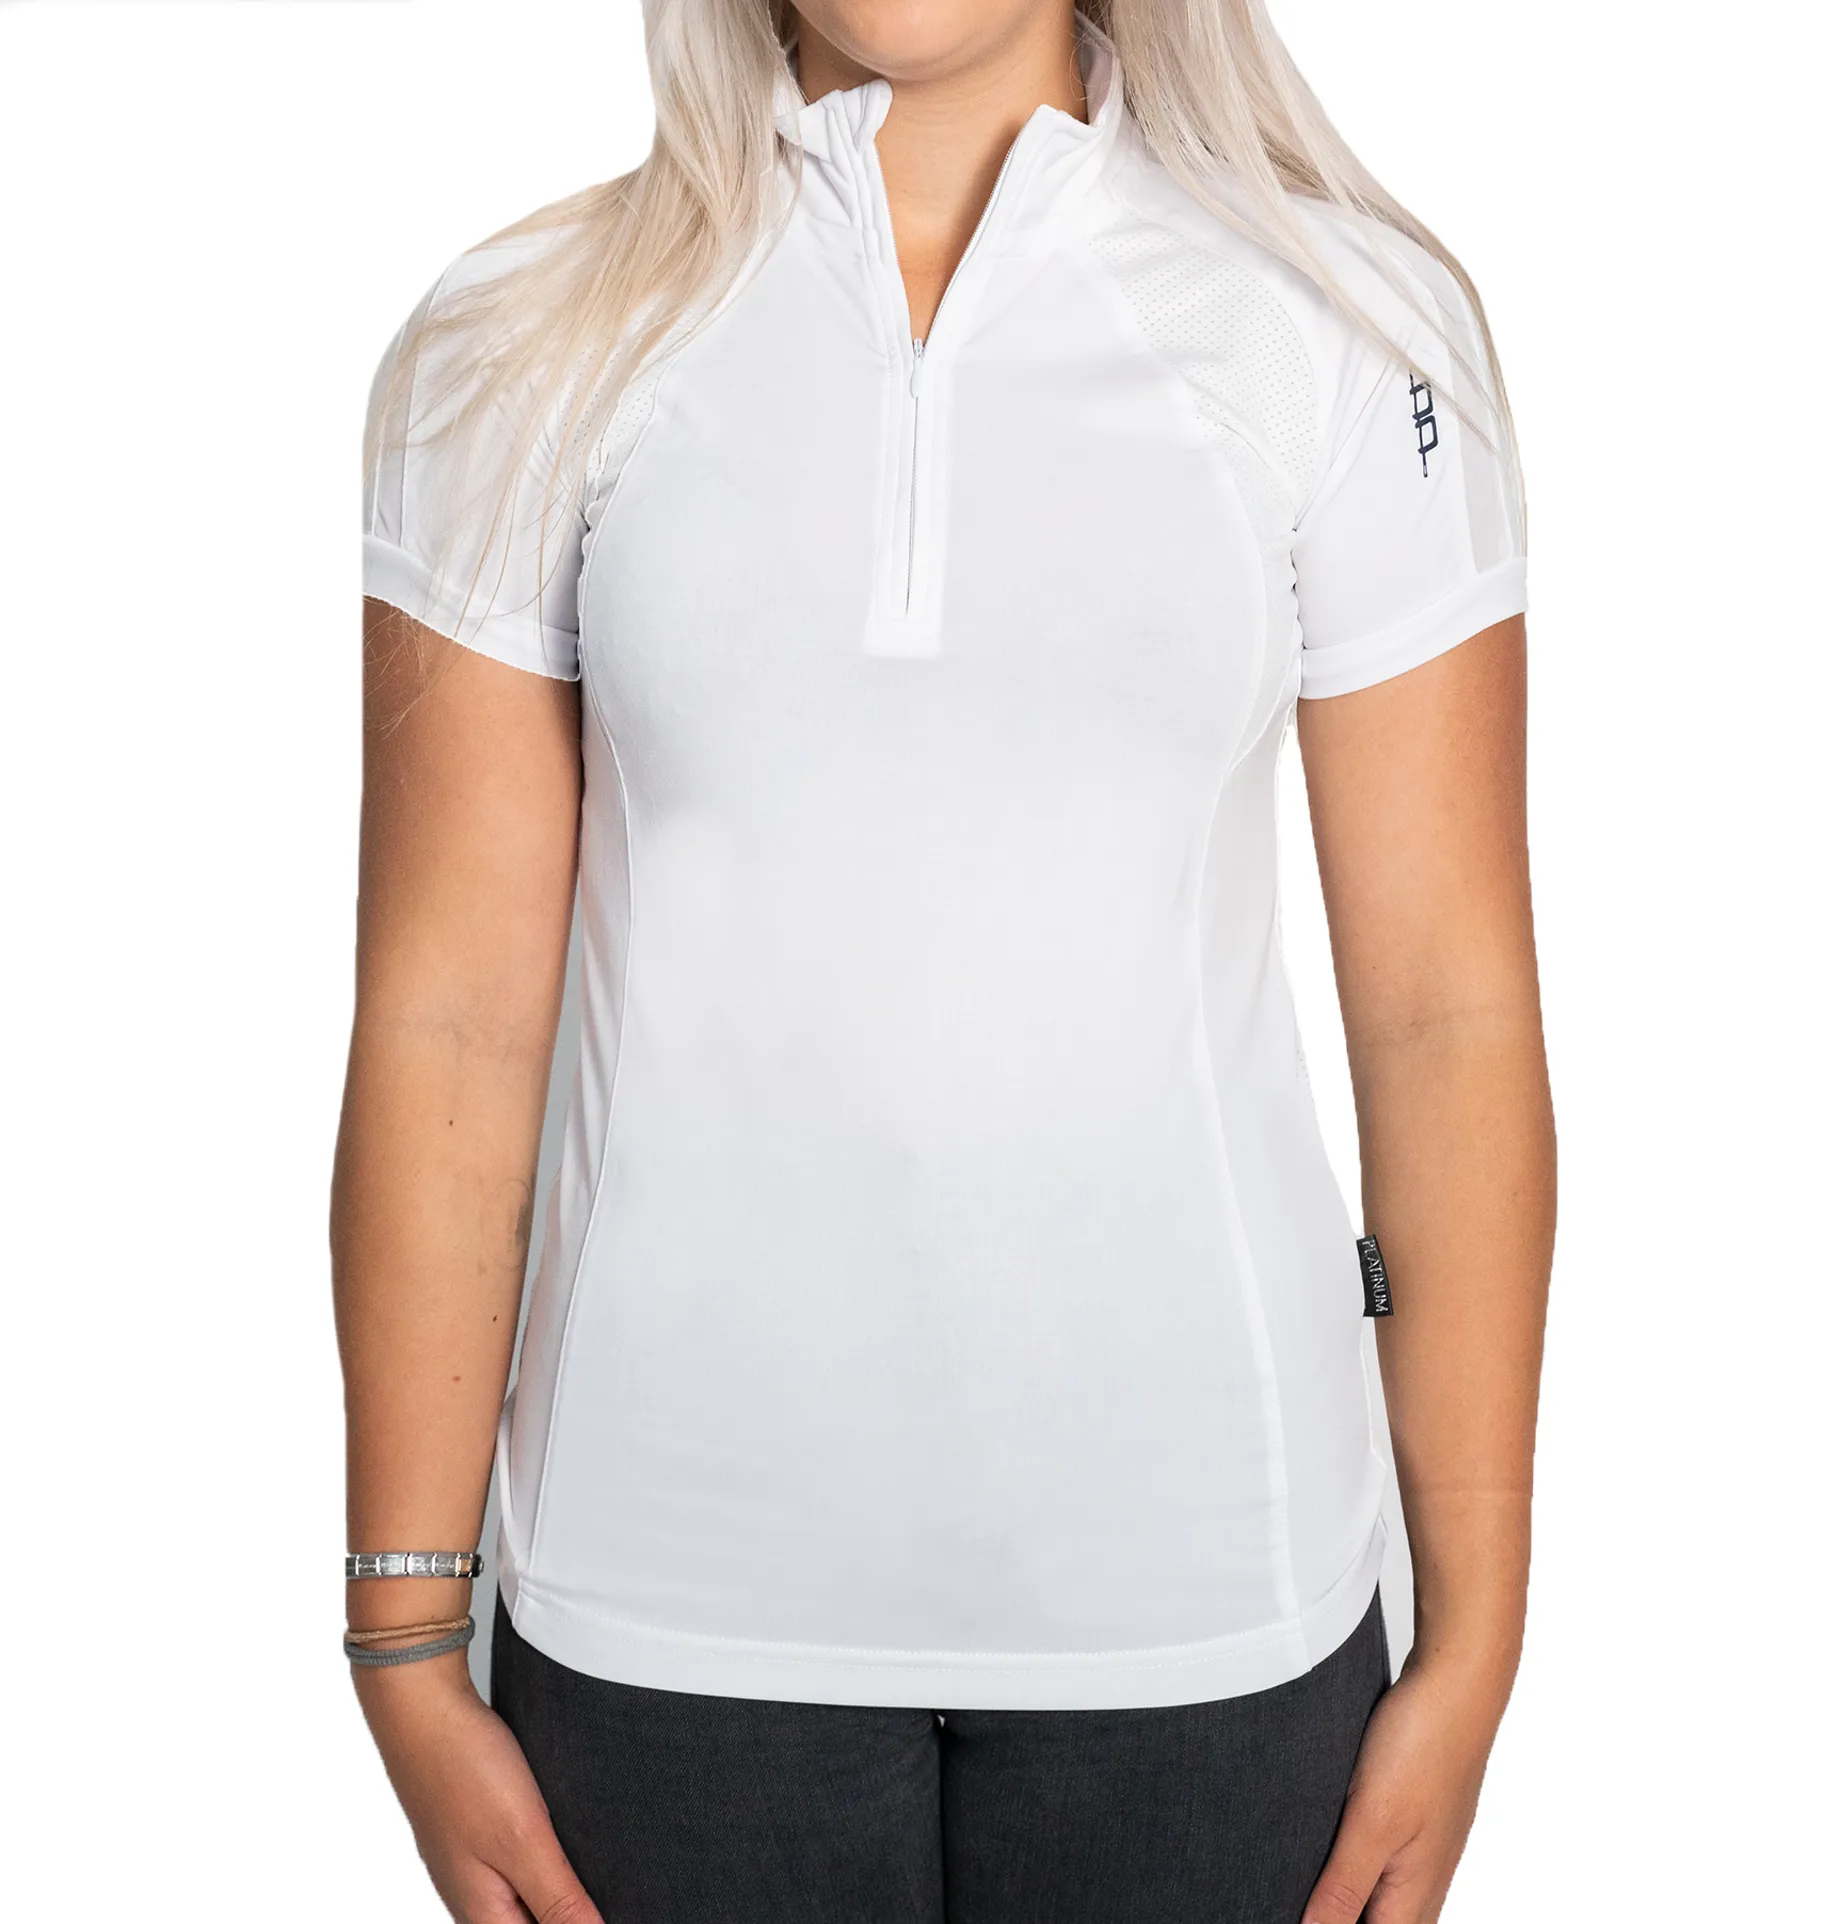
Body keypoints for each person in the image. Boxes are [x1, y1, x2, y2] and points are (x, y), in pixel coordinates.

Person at [333, 0, 1555, 1918]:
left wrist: (1476, 1641)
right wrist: (403, 1634)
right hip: (659, 1624)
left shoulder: (1343, 326)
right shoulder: (523, 343)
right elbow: (446, 1023)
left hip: (1209, 1622)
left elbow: (1445, 1013)